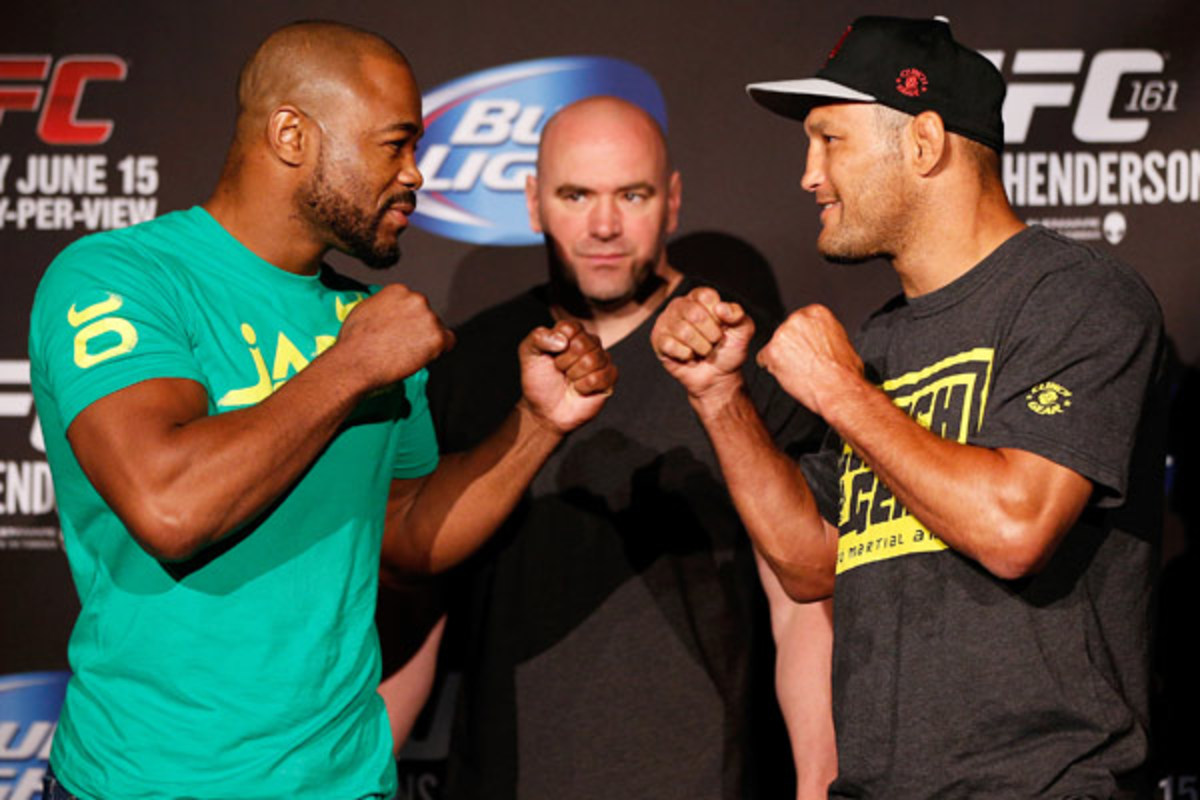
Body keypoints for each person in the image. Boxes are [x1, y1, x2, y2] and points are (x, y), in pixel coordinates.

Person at [28, 21, 616, 800]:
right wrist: (351, 365)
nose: (415, 174)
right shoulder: (122, 277)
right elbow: (170, 504)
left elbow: (407, 534)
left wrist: (536, 425)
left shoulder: (365, 319)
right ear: (291, 135)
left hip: (345, 781)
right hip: (147, 782)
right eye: (395, 144)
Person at [651, 15, 1165, 799]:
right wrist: (719, 396)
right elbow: (809, 562)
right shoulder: (884, 340)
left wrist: (839, 390)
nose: (809, 176)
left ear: (924, 143)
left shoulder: (1077, 297)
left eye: (831, 141)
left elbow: (1015, 527)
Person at [410, 95, 835, 800]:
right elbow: (418, 592)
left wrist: (819, 781)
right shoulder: (471, 361)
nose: (604, 225)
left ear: (672, 201)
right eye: (575, 195)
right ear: (533, 202)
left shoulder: (743, 353)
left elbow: (803, 603)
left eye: (631, 195)